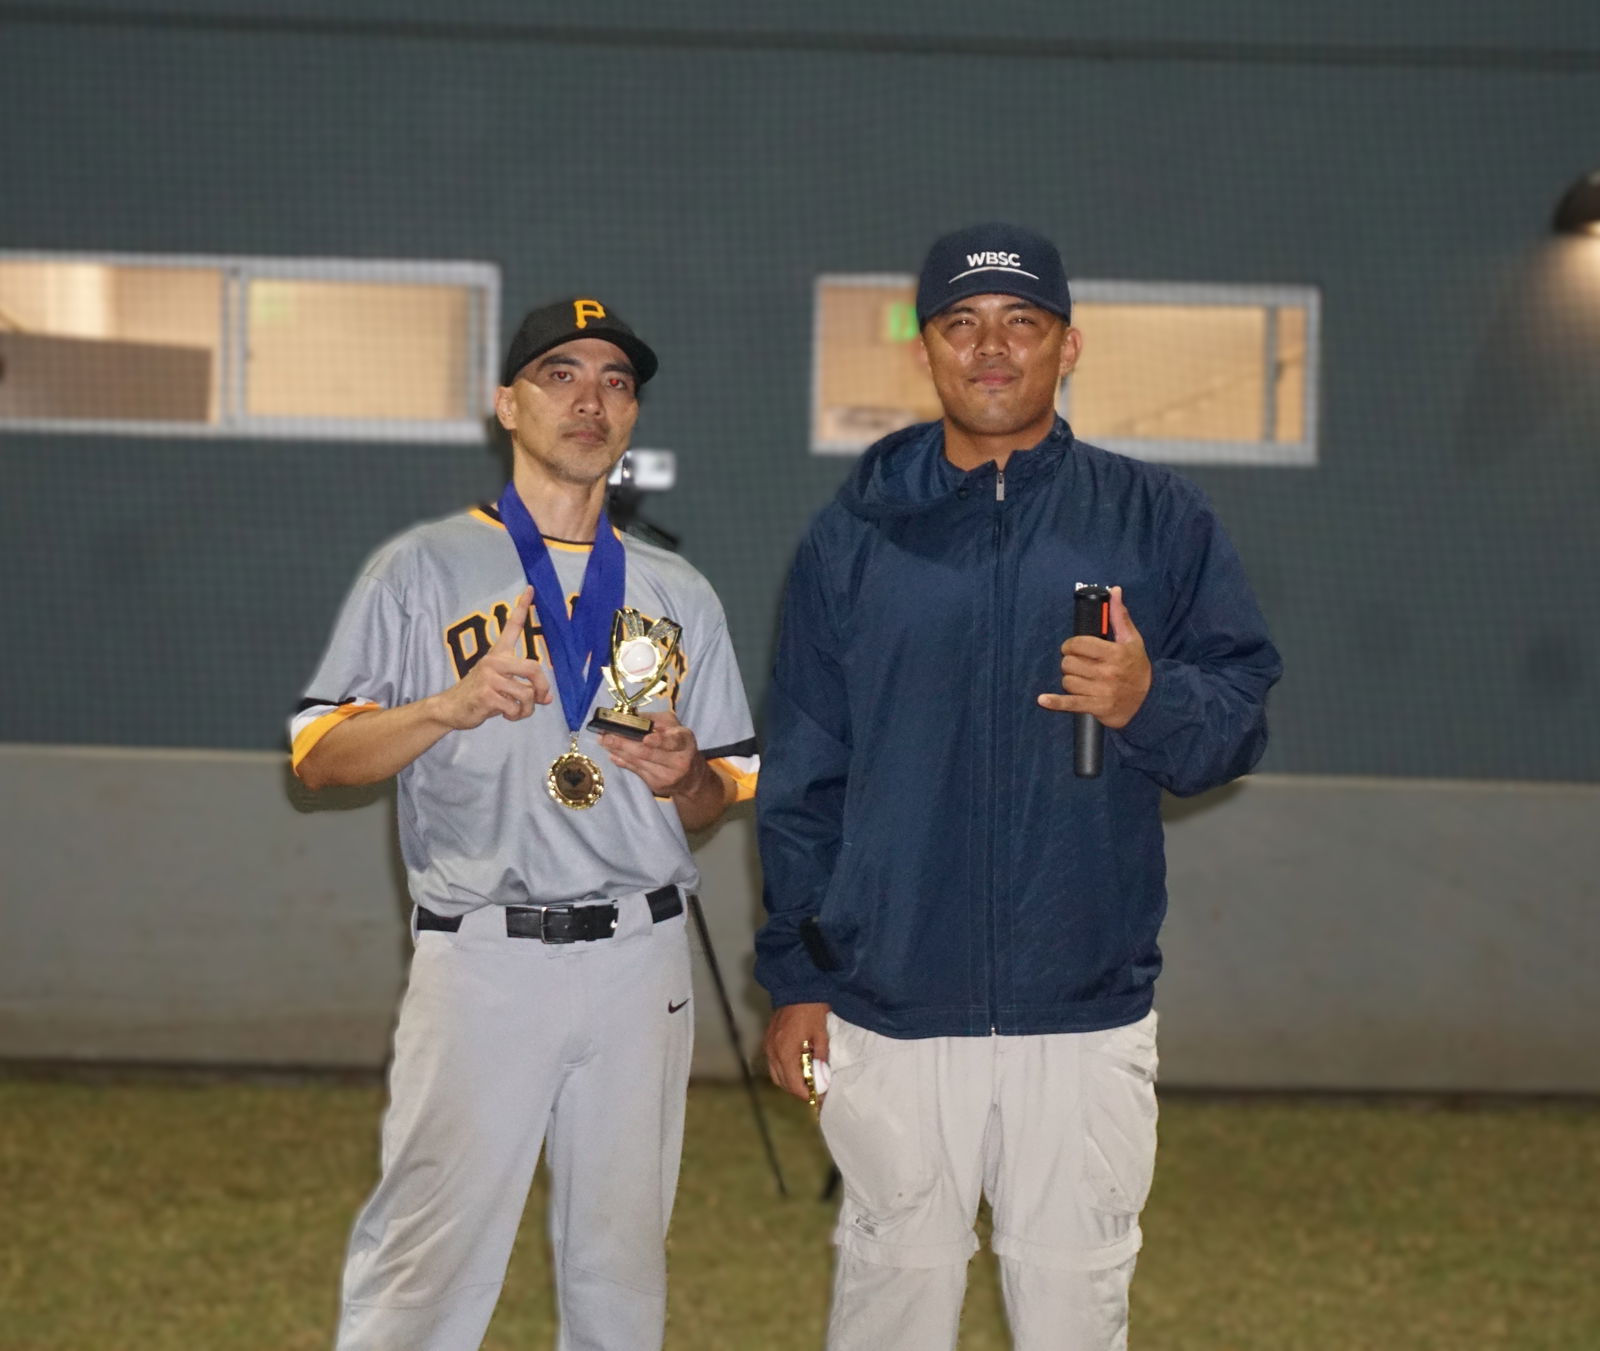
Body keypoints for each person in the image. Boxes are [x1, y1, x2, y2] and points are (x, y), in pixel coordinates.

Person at [755, 223, 1282, 1350]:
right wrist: (798, 973)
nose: (990, 348)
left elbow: (1236, 717)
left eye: (1020, 323)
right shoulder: (853, 537)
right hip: (889, 1008)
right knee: (888, 1303)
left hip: (1080, 1004)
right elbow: (805, 775)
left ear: (1068, 344)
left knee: (1072, 1314)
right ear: (926, 349)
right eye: (961, 323)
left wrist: (1149, 700)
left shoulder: (1157, 520)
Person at [291, 298, 758, 1351]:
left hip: (641, 956)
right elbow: (319, 757)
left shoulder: (678, 590)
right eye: (560, 373)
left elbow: (722, 789)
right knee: (427, 1265)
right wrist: (444, 707)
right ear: (507, 403)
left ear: (632, 417)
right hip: (484, 956)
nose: (590, 398)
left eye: (616, 381)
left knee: (620, 1267)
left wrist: (688, 777)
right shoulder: (421, 569)